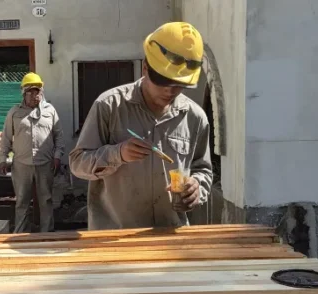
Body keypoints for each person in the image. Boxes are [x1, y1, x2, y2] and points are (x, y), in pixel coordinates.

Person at [68, 22, 213, 230]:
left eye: (179, 84)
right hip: (115, 237)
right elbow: (77, 164)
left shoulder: (195, 118)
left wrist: (197, 187)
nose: (170, 90)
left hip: (170, 233)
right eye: (163, 80)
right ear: (145, 68)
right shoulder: (109, 106)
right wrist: (118, 154)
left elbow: (202, 169)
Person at [0, 72, 64, 233]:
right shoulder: (14, 112)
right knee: (22, 201)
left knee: (46, 200)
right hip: (21, 164)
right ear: (24, 93)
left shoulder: (50, 111)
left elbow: (59, 136)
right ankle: (21, 234)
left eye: (38, 91)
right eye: (32, 92)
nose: (36, 95)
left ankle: (47, 234)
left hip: (45, 163)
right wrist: (3, 159)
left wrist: (57, 156)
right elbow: (6, 137)